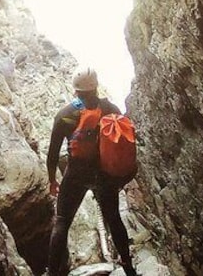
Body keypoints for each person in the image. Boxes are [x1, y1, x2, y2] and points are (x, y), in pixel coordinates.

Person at [46, 66, 137, 276]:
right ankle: (129, 269)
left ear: (75, 90)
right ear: (96, 86)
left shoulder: (65, 115)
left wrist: (52, 180)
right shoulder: (110, 109)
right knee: (114, 219)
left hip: (76, 174)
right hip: (104, 174)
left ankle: (52, 273)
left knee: (61, 222)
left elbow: (52, 155)